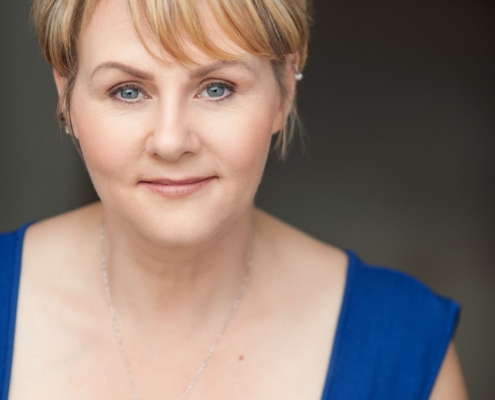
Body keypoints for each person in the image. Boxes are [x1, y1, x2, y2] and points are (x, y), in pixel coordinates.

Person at [0, 0, 469, 399]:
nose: (171, 141)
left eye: (216, 88)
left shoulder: (404, 347)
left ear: (285, 89)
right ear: (66, 94)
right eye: (127, 91)